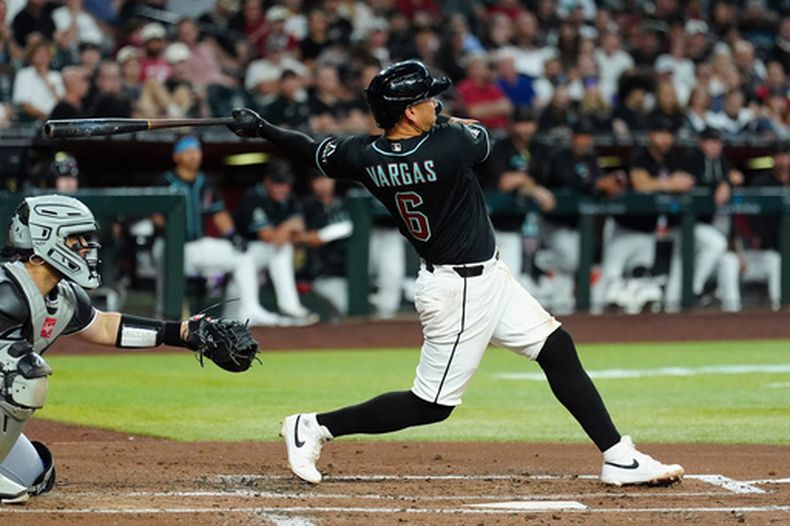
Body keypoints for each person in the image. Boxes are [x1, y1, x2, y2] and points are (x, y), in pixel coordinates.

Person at [227, 60, 684, 487]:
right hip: (460, 289)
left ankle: (618, 455)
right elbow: (480, 136)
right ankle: (314, 426)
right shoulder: (449, 144)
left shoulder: (365, 154)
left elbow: (311, 150)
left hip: (484, 278)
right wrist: (439, 119)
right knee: (430, 405)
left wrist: (262, 128)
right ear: (408, 112)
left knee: (556, 348)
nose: (437, 104)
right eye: (427, 99)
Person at [0, 194, 255, 503]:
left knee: (34, 475)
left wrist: (181, 333)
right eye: (74, 238)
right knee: (23, 372)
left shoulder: (62, 296)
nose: (85, 247)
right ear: (45, 238)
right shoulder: (6, 290)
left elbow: (105, 327)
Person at [231, 161, 319, 325]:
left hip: (263, 253)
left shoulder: (289, 198)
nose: (283, 189)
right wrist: (288, 227)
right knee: (270, 250)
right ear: (267, 182)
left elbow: (300, 233)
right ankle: (253, 310)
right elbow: (269, 237)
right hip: (240, 253)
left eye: (285, 184)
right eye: (278, 184)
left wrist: (287, 232)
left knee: (283, 248)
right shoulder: (253, 197)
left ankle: (290, 306)